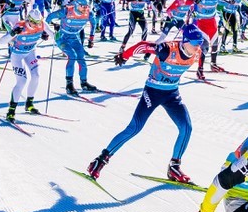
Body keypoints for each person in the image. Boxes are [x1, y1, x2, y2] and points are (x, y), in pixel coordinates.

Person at [87, 24, 205, 183]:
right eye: (195, 43)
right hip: (153, 92)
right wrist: (125, 55)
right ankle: (99, 161)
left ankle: (174, 166)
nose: (198, 46)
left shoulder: (197, 52)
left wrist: (200, 70)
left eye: (199, 43)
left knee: (186, 127)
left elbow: (200, 58)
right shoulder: (166, 49)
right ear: (185, 41)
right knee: (134, 127)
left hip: (172, 94)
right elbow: (142, 46)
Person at [1, 16, 50, 123]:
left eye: (38, 22)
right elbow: (2, 41)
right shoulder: (20, 25)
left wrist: (53, 31)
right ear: (28, 20)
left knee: (36, 76)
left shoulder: (41, 24)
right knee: (22, 81)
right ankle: (11, 111)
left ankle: (29, 104)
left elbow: (53, 35)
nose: (36, 25)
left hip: (31, 53)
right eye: (33, 22)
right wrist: (12, 33)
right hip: (17, 55)